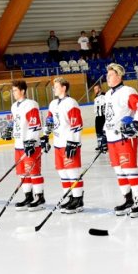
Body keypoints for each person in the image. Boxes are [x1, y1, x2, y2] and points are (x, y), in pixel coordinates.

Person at [97, 63, 138, 217]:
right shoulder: (107, 95)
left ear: (119, 76)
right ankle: (128, 200)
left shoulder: (128, 91)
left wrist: (135, 123)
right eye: (107, 75)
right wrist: (103, 136)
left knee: (129, 169)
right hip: (112, 138)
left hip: (125, 138)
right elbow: (109, 117)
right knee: (119, 171)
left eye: (111, 75)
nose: (107, 77)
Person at [4, 80, 48, 211]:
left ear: (22, 91)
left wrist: (31, 141)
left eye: (15, 90)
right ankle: (28, 196)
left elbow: (35, 124)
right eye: (12, 91)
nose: (13, 93)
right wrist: (10, 129)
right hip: (18, 144)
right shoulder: (14, 106)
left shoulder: (31, 104)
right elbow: (15, 121)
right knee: (22, 173)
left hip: (30, 144)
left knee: (33, 172)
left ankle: (39, 197)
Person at [46, 77, 84, 213]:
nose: (54, 89)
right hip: (58, 144)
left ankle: (78, 199)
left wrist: (73, 142)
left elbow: (77, 124)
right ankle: (69, 197)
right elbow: (49, 121)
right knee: (62, 172)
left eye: (56, 86)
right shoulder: (53, 104)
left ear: (63, 88)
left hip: (69, 143)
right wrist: (45, 136)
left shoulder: (71, 103)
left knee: (72, 172)